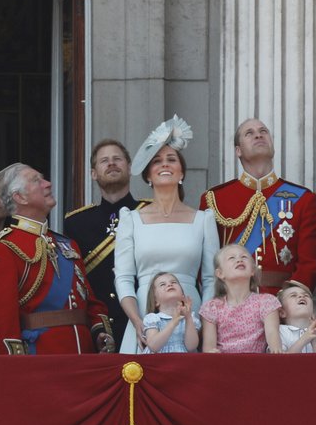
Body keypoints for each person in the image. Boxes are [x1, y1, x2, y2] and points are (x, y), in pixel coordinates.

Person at [0, 163, 114, 354]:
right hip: (42, 359)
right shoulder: (3, 248)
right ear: (20, 197)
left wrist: (99, 331)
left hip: (85, 356)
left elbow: (89, 301)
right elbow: (2, 320)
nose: (48, 184)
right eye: (37, 180)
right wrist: (17, 366)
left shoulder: (67, 244)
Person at [115, 116, 218, 354]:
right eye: (157, 161)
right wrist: (137, 321)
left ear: (181, 172)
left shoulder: (204, 219)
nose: (165, 164)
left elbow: (211, 280)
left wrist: (202, 322)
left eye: (171, 159)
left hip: (190, 313)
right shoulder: (130, 219)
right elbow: (123, 278)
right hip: (143, 310)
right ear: (148, 176)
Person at [201, 118, 316, 294]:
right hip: (231, 302)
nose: (258, 135)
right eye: (249, 133)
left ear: (273, 146)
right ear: (238, 150)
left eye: (263, 131)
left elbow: (309, 263)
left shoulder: (302, 198)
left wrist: (291, 299)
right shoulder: (215, 199)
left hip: (282, 301)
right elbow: (206, 264)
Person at [64, 140, 138, 346]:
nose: (112, 164)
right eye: (104, 161)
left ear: (130, 168)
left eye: (117, 159)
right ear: (93, 173)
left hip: (141, 319)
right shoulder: (76, 222)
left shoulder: (148, 213)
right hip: (97, 326)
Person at [199, 244, 282, 353]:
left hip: (257, 365)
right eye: (232, 258)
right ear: (220, 273)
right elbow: (209, 349)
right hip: (224, 366)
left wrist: (276, 350)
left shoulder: (266, 302)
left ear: (252, 270)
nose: (239, 260)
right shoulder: (212, 308)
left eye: (244, 257)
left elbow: (272, 334)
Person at [141, 271, 199, 354]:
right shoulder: (152, 318)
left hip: (183, 362)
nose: (169, 285)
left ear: (182, 295)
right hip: (159, 363)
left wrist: (188, 318)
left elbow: (191, 347)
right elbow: (153, 346)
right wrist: (173, 322)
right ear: (155, 300)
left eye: (174, 282)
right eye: (162, 284)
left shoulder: (190, 318)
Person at [276, 280, 316, 353]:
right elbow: (280, 362)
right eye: (293, 295)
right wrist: (305, 338)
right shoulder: (279, 331)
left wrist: (314, 341)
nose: (301, 296)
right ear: (282, 312)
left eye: (306, 295)